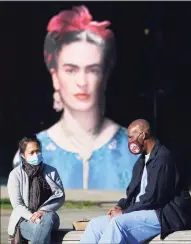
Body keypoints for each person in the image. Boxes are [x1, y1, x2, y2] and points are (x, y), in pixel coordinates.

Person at [13, 5, 138, 190]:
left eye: (93, 70)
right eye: (71, 70)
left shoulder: (134, 151)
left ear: (105, 76)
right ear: (55, 77)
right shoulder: (32, 153)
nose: (82, 81)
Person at [80, 119, 191, 244]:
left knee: (118, 224)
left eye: (131, 137)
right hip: (141, 211)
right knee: (95, 225)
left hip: (164, 214)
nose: (129, 142)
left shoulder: (164, 158)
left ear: (143, 135)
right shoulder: (141, 162)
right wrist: (120, 206)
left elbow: (153, 198)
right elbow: (133, 195)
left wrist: (124, 212)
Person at [8, 135, 65, 244]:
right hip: (25, 219)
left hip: (50, 218)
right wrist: (32, 217)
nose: (36, 155)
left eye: (38, 151)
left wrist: (43, 211)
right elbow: (17, 204)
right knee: (41, 230)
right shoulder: (15, 175)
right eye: (31, 152)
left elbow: (60, 196)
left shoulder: (51, 171)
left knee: (47, 219)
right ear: (23, 155)